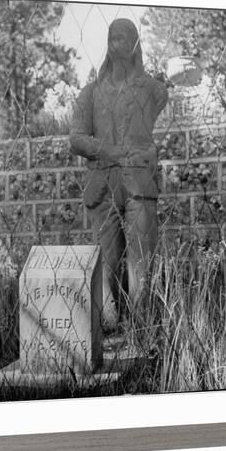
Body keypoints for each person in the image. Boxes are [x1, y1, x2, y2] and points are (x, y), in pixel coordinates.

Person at [69, 18, 168, 343]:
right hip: (103, 187)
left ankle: (141, 329)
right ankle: (108, 329)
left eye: (123, 37)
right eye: (111, 37)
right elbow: (77, 139)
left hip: (140, 185)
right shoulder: (90, 94)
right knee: (106, 260)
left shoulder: (154, 90)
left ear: (136, 45)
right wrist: (109, 150)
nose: (116, 43)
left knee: (141, 261)